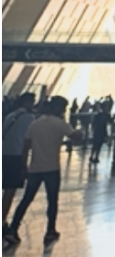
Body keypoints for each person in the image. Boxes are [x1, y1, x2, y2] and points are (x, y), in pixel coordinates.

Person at [5, 97, 82, 246]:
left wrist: (23, 166)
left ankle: (13, 229)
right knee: (52, 201)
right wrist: (80, 131)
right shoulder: (60, 124)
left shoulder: (35, 123)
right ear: (60, 108)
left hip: (35, 168)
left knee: (26, 199)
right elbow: (76, 136)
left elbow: (25, 147)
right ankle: (50, 231)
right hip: (52, 168)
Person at [2, 93, 38, 233]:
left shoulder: (10, 116)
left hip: (4, 154)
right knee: (10, 191)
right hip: (16, 156)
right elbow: (29, 140)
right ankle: (2, 220)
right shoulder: (29, 118)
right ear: (27, 102)